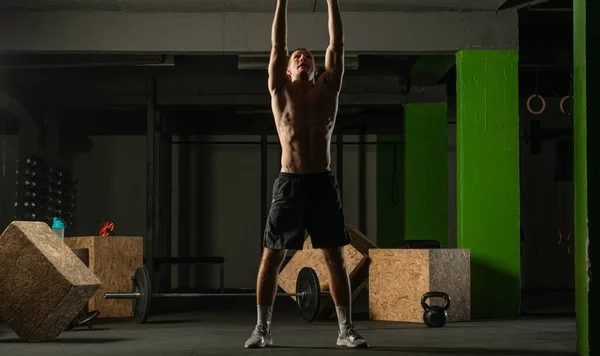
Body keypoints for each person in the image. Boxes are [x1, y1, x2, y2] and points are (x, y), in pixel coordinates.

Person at [244, 0, 368, 349]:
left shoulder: (328, 90)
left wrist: (332, 1)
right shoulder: (279, 92)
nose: (302, 57)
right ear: (285, 69)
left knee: (334, 257)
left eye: (308, 57)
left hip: (322, 183)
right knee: (272, 255)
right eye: (297, 57)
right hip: (290, 185)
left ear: (316, 69)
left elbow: (337, 45)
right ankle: (262, 330)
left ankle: (345, 331)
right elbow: (277, 46)